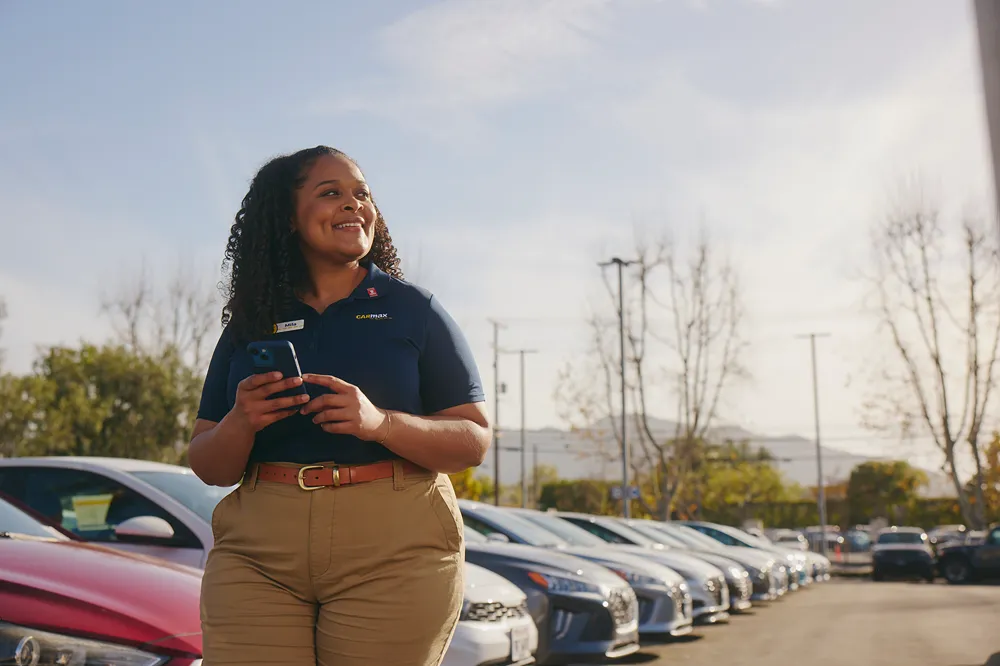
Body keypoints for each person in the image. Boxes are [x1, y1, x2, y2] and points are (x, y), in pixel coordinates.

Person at [188, 146, 491, 666]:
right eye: (332, 193)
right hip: (259, 552)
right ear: (287, 217)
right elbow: (206, 462)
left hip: (393, 550)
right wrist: (241, 421)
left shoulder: (412, 310)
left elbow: (474, 439)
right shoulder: (250, 320)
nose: (355, 205)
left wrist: (380, 423)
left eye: (362, 194)